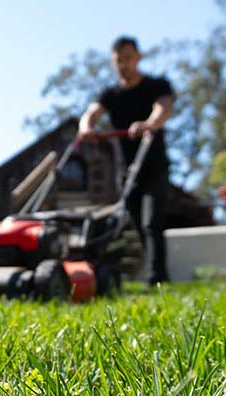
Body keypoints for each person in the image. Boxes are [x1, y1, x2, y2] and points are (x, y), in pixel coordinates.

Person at [78, 36, 175, 286]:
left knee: (152, 221)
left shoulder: (157, 85)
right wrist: (86, 127)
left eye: (128, 58)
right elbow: (92, 112)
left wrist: (150, 124)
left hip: (154, 167)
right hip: (128, 171)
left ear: (138, 58)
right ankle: (148, 270)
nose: (124, 64)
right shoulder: (110, 94)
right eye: (119, 60)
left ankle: (159, 277)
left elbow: (163, 107)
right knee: (135, 223)